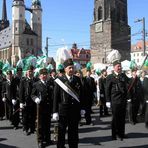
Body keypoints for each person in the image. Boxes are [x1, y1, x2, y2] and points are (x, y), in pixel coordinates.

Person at [52, 58, 85, 148]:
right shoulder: (59, 80)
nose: (71, 69)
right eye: (69, 68)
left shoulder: (77, 79)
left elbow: (81, 94)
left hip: (74, 111)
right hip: (63, 111)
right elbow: (55, 96)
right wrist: (55, 111)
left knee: (73, 133)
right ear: (65, 69)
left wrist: (82, 107)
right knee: (61, 133)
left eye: (72, 68)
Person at [106, 60, 129, 141]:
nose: (120, 68)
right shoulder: (110, 77)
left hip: (123, 100)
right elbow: (107, 89)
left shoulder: (123, 75)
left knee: (122, 118)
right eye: (118, 66)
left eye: (120, 66)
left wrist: (135, 76)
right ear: (114, 67)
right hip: (114, 101)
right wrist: (108, 100)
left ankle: (121, 134)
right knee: (115, 118)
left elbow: (128, 83)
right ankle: (114, 134)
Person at [31, 68, 53, 148]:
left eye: (45, 74)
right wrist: (35, 98)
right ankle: (40, 140)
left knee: (48, 124)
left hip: (48, 107)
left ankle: (47, 139)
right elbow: (32, 95)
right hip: (40, 108)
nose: (44, 76)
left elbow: (52, 96)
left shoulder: (50, 83)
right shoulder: (36, 84)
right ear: (40, 75)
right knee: (40, 125)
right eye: (43, 74)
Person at [19, 66, 39, 135]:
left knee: (33, 115)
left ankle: (32, 128)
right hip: (26, 101)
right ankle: (26, 128)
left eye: (31, 71)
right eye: (29, 71)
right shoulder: (23, 80)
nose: (30, 73)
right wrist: (21, 102)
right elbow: (21, 92)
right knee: (25, 116)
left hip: (34, 101)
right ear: (27, 72)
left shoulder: (36, 80)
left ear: (33, 72)